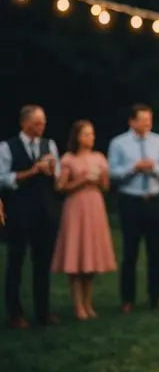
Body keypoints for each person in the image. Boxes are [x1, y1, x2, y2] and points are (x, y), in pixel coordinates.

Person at [108, 104, 159, 313]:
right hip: (131, 200)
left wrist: (154, 168)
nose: (148, 123)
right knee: (130, 252)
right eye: (143, 119)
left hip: (154, 199)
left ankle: (156, 296)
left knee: (155, 252)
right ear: (132, 121)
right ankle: (128, 299)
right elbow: (113, 173)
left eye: (149, 119)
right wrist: (133, 168)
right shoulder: (119, 143)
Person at [0, 105, 61, 328]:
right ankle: (15, 313)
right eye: (37, 123)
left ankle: (43, 311)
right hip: (19, 210)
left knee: (43, 262)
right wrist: (31, 172)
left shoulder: (49, 145)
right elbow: (3, 178)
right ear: (24, 123)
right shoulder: (7, 147)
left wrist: (53, 168)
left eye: (43, 122)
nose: (42, 126)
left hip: (45, 210)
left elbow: (58, 175)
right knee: (16, 261)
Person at [51, 120, 117, 320]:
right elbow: (60, 187)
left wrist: (101, 178)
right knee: (76, 254)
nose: (91, 137)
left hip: (94, 205)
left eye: (92, 134)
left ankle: (88, 302)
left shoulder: (99, 157)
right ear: (78, 137)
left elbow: (105, 187)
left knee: (91, 255)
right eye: (87, 134)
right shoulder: (69, 159)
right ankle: (78, 304)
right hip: (76, 207)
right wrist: (82, 180)